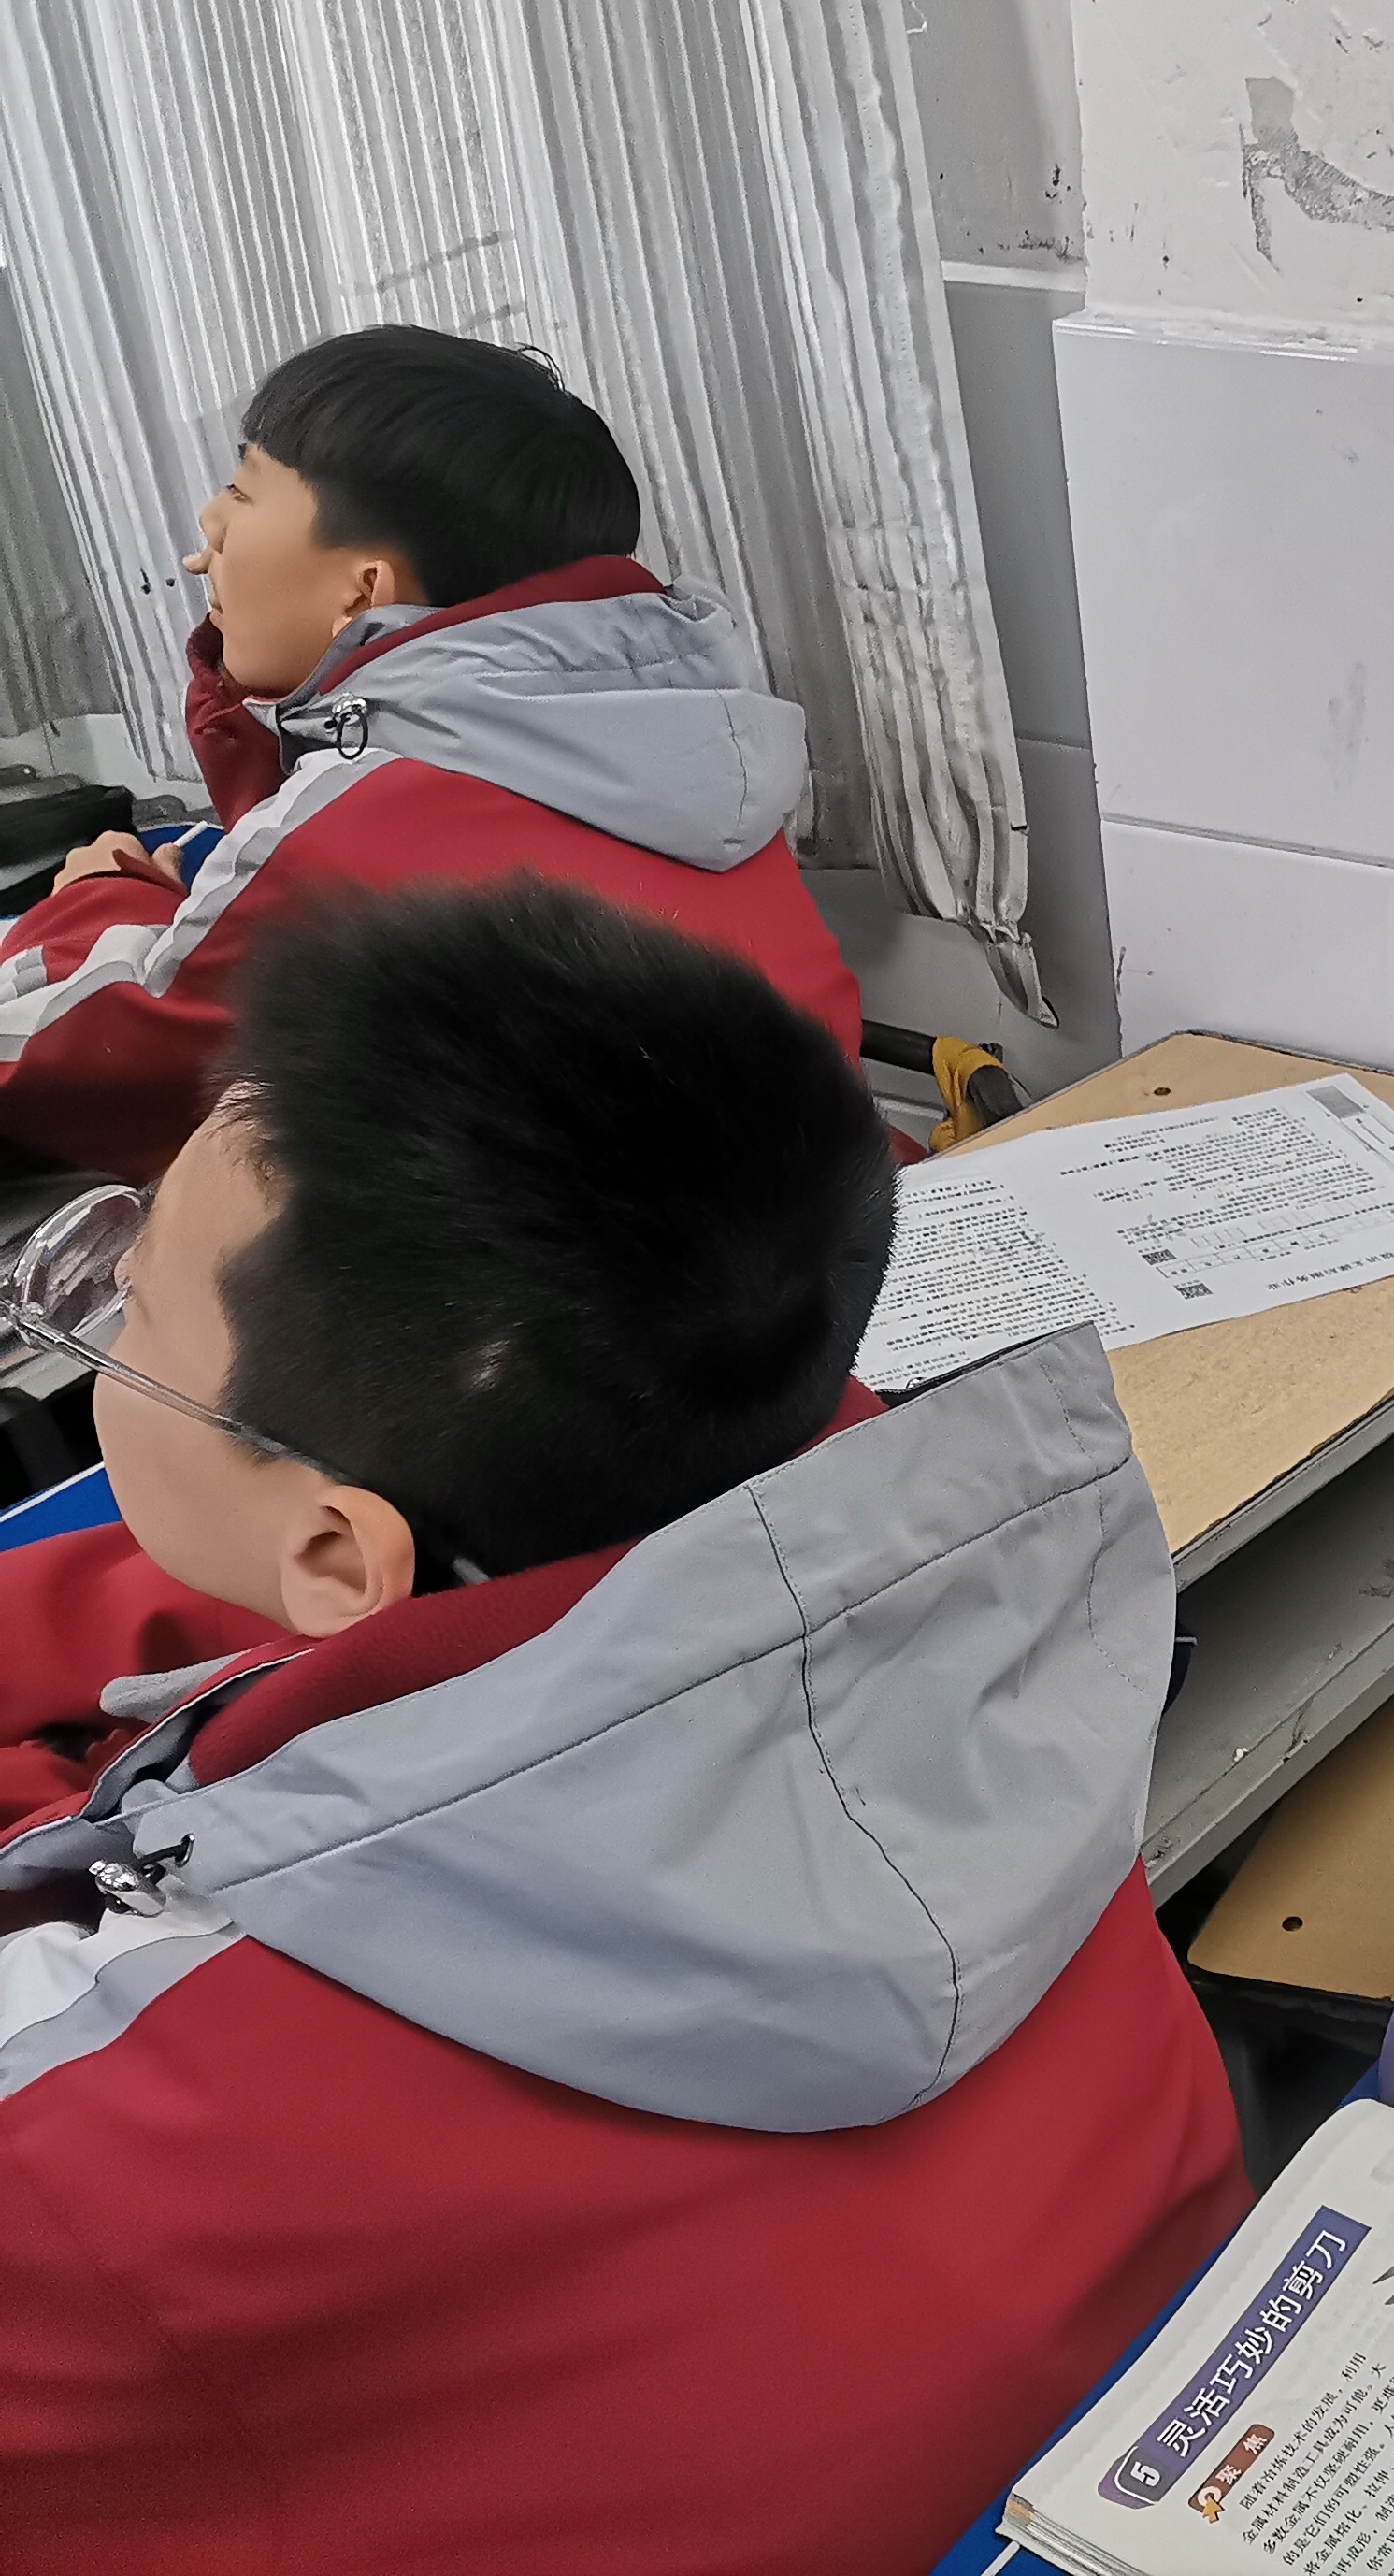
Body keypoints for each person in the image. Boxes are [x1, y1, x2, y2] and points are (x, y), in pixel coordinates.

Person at [0, 881, 1243, 2572]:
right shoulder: (985, 1593)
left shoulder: (93, 2149)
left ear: (333, 1556)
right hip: (1087, 2418)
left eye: (125, 1316)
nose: (101, 1329)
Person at [0, 324, 859, 1176]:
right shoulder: (677, 741)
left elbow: (57, 1074)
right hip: (807, 1227)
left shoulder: (362, 826)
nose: (209, 524)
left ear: (363, 592)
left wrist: (97, 897)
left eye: (243, 490)